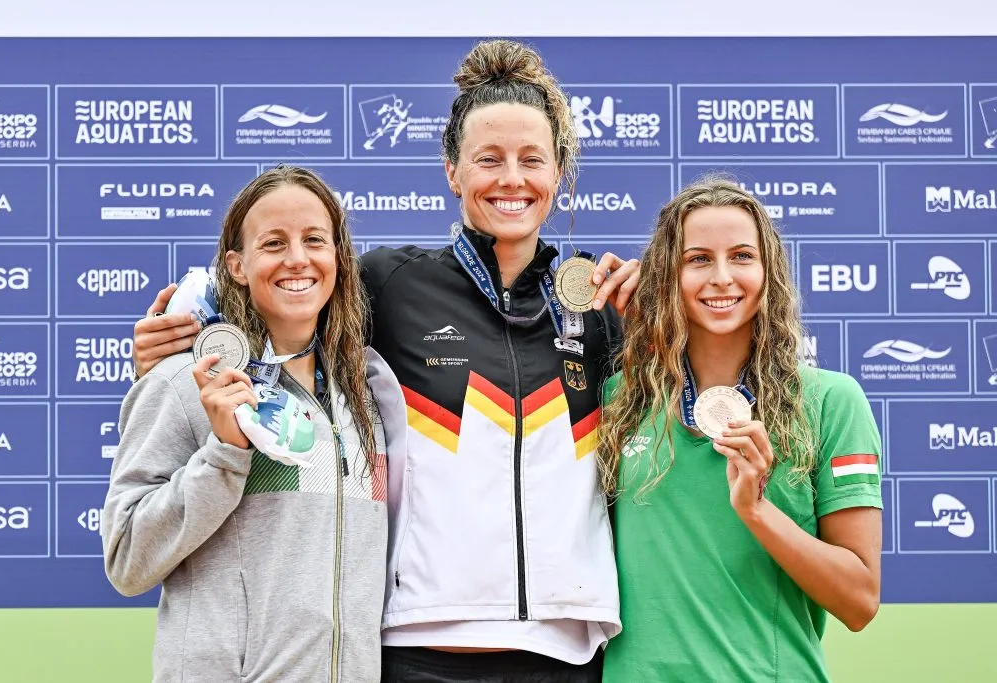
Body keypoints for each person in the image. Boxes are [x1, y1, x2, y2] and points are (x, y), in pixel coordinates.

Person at [131, 40, 640, 682]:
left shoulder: (599, 299)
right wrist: (180, 321)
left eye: (531, 159)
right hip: (418, 647)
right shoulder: (392, 283)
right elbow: (281, 287)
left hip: (567, 646)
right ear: (452, 171)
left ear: (560, 170)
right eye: (488, 159)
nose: (511, 179)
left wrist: (661, 306)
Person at [102, 165, 406, 682]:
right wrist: (223, 455)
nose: (297, 259)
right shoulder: (186, 382)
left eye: (315, 240)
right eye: (273, 243)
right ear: (237, 265)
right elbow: (128, 558)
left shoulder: (367, 396)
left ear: (338, 258)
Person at [597, 177, 883, 682]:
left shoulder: (830, 402)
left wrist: (756, 510)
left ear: (769, 271)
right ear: (667, 274)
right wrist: (639, 327)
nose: (722, 277)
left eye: (743, 256)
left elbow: (859, 601)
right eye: (698, 259)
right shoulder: (618, 398)